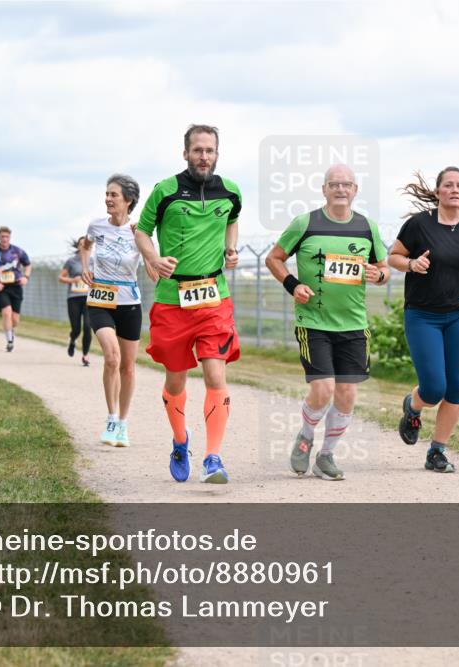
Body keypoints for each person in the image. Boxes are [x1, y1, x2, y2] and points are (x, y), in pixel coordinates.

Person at [266, 164, 390, 481]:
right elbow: (274, 258)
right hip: (314, 322)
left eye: (346, 184)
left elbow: (383, 267)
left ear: (355, 190)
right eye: (334, 184)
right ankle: (306, 437)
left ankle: (326, 455)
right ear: (324, 189)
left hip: (353, 324)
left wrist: (380, 275)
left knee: (346, 394)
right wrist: (293, 285)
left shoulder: (367, 227)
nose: (340, 189)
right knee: (323, 390)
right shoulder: (305, 223)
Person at [134, 124, 242, 484]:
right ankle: (181, 440)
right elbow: (141, 230)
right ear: (185, 153)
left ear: (217, 153)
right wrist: (153, 259)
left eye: (210, 150)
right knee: (176, 381)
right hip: (172, 300)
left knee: (215, 372)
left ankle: (213, 457)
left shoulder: (230, 191)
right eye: (197, 150)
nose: (204, 156)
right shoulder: (165, 191)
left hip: (214, 297)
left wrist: (231, 249)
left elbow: (233, 219)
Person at [387, 167, 459, 473]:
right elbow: (393, 257)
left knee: (457, 388)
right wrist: (411, 264)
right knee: (434, 387)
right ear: (437, 192)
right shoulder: (419, 225)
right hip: (423, 315)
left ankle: (437, 451)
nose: (454, 189)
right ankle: (413, 408)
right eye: (448, 185)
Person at [80, 174, 153, 447]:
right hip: (100, 301)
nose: (108, 199)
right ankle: (110, 418)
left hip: (129, 304)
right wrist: (85, 266)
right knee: (112, 357)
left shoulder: (138, 232)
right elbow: (85, 244)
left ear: (128, 201)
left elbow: (152, 267)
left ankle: (123, 423)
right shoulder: (96, 226)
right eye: (107, 194)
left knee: (128, 367)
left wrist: (153, 259)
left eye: (114, 195)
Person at [0, 226, 31, 352]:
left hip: (15, 286)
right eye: (2, 236)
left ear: (10, 237)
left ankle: (10, 329)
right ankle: (9, 341)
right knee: (6, 313)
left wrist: (26, 277)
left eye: (7, 237)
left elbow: (28, 264)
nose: (4, 239)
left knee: (15, 319)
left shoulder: (18, 251)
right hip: (1, 287)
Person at [59, 239, 94, 367]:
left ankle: (85, 355)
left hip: (89, 298)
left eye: (87, 244)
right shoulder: (71, 261)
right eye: (82, 244)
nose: (84, 246)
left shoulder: (93, 261)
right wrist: (72, 280)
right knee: (76, 328)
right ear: (78, 246)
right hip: (73, 297)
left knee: (87, 326)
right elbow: (61, 277)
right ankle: (73, 339)